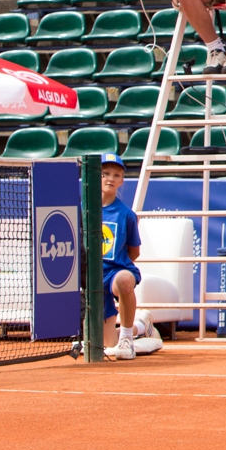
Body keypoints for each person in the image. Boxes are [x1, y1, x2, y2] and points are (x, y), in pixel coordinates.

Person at [98, 154, 144, 362]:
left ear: (121, 181)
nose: (110, 179)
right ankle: (142, 326)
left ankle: (127, 338)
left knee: (125, 280)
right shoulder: (81, 209)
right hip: (92, 278)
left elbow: (134, 252)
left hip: (116, 273)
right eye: (105, 173)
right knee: (107, 343)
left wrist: (118, 268)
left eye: (116, 175)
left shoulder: (126, 214)